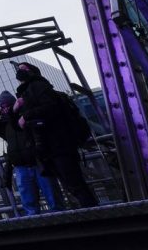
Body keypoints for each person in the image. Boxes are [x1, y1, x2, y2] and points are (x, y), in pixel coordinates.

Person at [13, 62, 98, 208]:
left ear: (32, 72)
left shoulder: (38, 86)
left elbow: (50, 107)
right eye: (19, 69)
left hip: (59, 144)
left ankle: (95, 214)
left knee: (74, 183)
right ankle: (91, 213)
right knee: (71, 185)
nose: (20, 72)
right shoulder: (28, 92)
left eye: (24, 69)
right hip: (50, 146)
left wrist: (26, 115)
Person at [0, 90, 62, 215]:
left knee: (53, 199)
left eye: (8, 105)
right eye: (2, 106)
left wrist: (17, 109)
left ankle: (60, 220)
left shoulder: (27, 115)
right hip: (20, 167)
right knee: (29, 203)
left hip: (40, 164)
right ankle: (37, 226)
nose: (5, 108)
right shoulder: (4, 125)